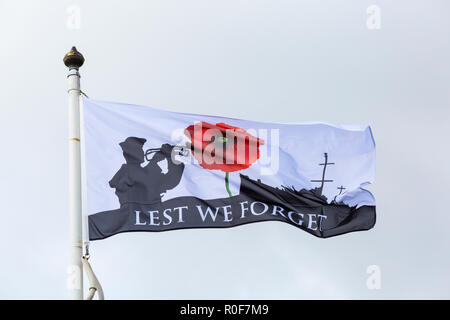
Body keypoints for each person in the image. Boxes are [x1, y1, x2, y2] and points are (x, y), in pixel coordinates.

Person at [109, 137, 185, 206]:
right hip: (140, 214)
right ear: (130, 153)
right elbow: (169, 181)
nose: (142, 152)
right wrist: (162, 157)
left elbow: (169, 180)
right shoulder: (127, 171)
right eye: (139, 149)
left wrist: (167, 157)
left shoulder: (137, 171)